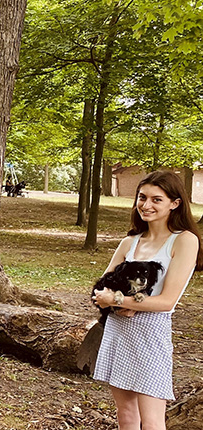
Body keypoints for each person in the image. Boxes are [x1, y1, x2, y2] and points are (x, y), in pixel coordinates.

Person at [93, 170, 202, 430]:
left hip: (151, 333)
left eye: (157, 199)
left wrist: (117, 300)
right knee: (126, 414)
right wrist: (115, 303)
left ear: (175, 204)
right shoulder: (129, 242)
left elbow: (166, 302)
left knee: (152, 421)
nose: (146, 205)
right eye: (142, 197)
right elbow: (99, 291)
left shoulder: (185, 241)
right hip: (118, 331)